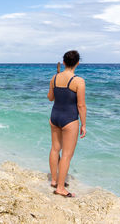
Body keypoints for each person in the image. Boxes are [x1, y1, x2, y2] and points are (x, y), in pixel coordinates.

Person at [47, 50, 86, 197]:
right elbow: (81, 106)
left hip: (55, 116)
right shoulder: (79, 81)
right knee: (67, 155)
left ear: (63, 62)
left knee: (55, 149)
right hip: (69, 119)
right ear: (77, 63)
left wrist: (56, 85)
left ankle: (54, 180)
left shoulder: (54, 78)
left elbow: (50, 98)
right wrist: (83, 124)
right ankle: (60, 188)